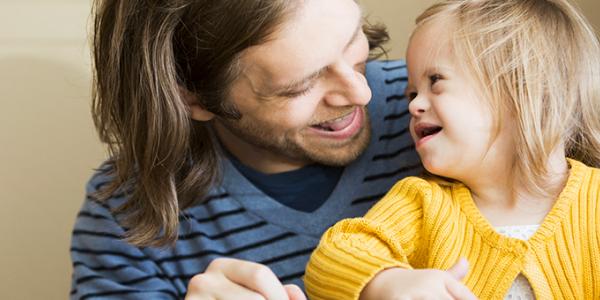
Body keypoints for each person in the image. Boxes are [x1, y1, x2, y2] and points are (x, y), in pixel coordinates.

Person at [70, 0, 421, 299]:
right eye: (301, 86)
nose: (360, 93)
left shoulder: (447, 112)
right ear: (192, 97)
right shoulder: (128, 215)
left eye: (351, 42)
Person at [304, 0, 600, 299]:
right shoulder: (423, 203)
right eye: (413, 92)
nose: (414, 105)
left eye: (435, 81)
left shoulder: (595, 200)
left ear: (524, 87)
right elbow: (333, 256)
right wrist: (384, 282)